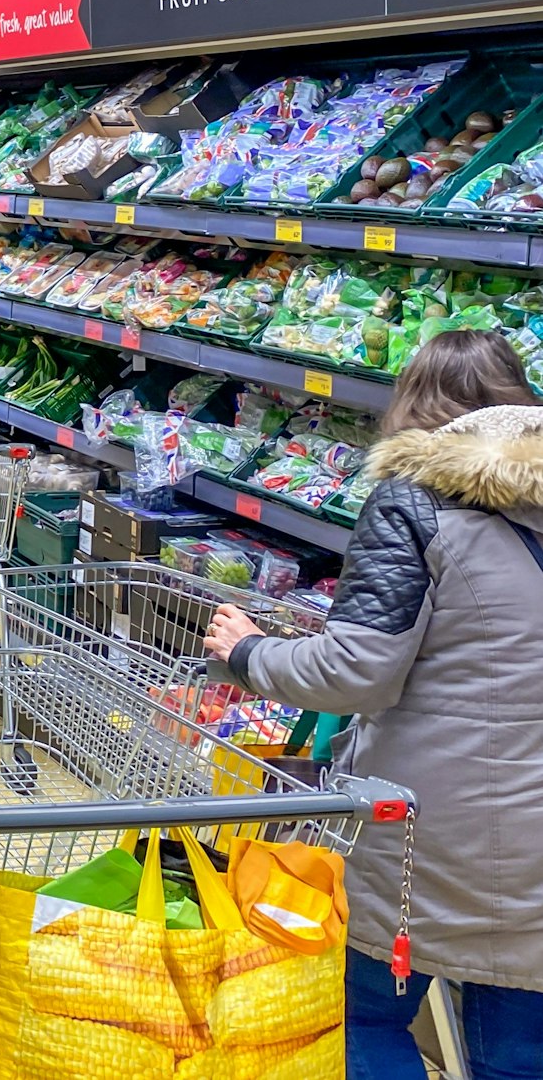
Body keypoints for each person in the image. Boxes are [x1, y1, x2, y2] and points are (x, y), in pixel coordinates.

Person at [202, 329, 543, 1080]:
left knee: (360, 1016)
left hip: (437, 825)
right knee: (519, 1040)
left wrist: (249, 651)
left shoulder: (415, 504)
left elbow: (354, 672)